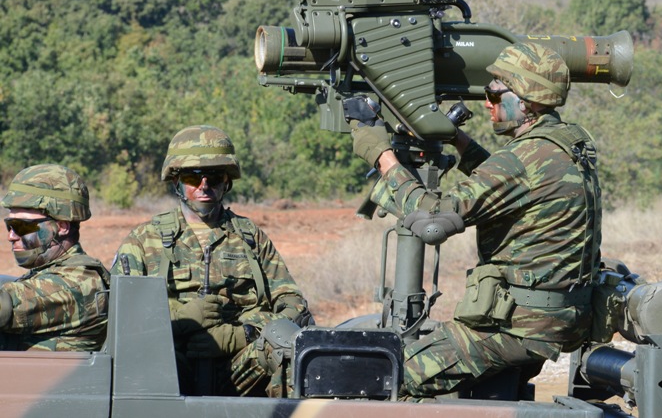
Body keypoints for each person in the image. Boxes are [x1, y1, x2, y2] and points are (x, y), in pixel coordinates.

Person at [352, 42, 602, 399]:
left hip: (517, 328)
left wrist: (382, 156)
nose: (487, 103)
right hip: (558, 320)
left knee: (384, 375)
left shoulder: (521, 159)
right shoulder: (564, 144)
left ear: (526, 102)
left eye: (494, 95)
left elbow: (432, 223)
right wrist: (456, 138)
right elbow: (507, 185)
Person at [115, 124, 312, 398]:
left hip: (241, 368)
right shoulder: (144, 240)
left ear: (226, 181)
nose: (204, 186)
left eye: (215, 177)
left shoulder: (250, 237)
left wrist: (243, 334)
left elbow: (295, 308)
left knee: (288, 344)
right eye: (193, 178)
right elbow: (121, 321)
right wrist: (179, 320)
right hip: (170, 370)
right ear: (176, 181)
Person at [0, 164, 109, 352]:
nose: (11, 236)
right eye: (10, 225)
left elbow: (8, 304)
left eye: (21, 226)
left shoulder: (79, 283)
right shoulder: (49, 273)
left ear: (62, 226)